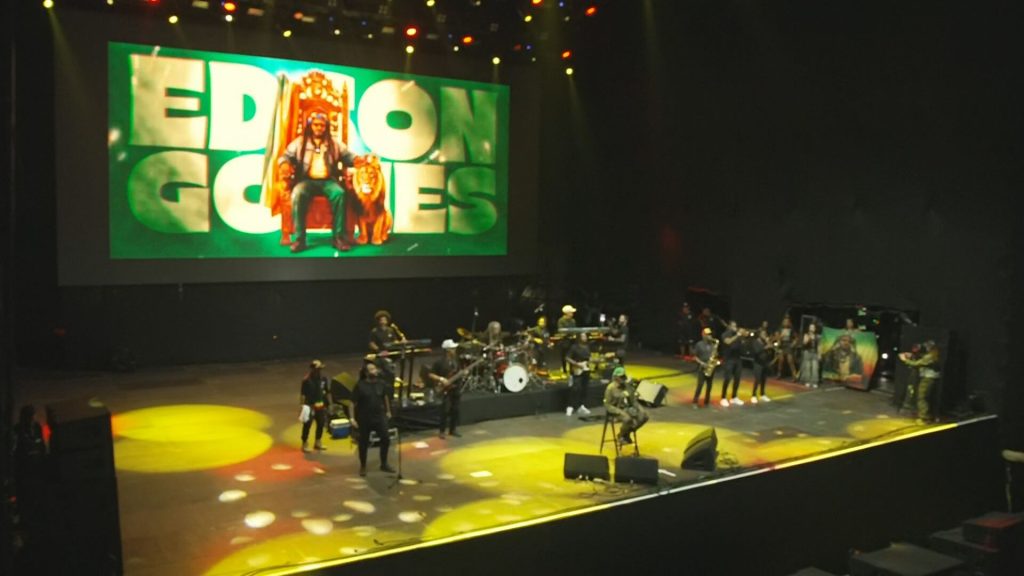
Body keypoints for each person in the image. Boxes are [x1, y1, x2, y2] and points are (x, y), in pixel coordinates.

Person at [279, 111, 357, 253]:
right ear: (310, 126)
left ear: (326, 127)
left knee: (339, 193)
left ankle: (338, 238)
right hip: (306, 180)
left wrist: (359, 160)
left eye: (322, 125)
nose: (319, 128)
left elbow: (348, 157)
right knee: (297, 193)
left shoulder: (334, 143)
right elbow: (286, 156)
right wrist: (284, 164)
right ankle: (300, 239)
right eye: (316, 125)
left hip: (328, 181)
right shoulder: (300, 142)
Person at [351, 359, 395, 476]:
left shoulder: (381, 383)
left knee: (385, 438)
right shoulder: (360, 385)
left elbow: (385, 397)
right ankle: (363, 466)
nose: (374, 371)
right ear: (366, 373)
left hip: (379, 417)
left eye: (374, 369)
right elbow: (352, 403)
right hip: (364, 418)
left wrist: (388, 411)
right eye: (371, 369)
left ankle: (384, 463)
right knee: (363, 442)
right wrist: (352, 418)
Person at [604, 367, 649, 445]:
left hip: (627, 408)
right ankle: (621, 435)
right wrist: (619, 412)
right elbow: (607, 405)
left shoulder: (627, 386)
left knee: (644, 416)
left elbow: (633, 400)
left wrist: (640, 409)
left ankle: (627, 432)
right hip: (615, 411)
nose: (623, 378)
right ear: (616, 377)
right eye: (621, 377)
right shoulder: (610, 388)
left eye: (623, 376)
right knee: (627, 418)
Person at [899, 340, 941, 424]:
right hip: (931, 378)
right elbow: (923, 358)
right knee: (927, 398)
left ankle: (924, 418)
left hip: (927, 379)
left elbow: (916, 364)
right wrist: (912, 355)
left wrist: (905, 360)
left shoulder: (930, 357)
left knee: (922, 397)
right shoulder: (933, 355)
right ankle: (929, 416)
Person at [429, 339, 464, 438]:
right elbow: (431, 374)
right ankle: (442, 431)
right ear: (448, 350)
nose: (455, 350)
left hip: (455, 388)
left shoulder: (456, 360)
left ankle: (453, 429)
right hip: (445, 389)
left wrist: (462, 373)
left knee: (455, 409)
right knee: (444, 410)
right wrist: (441, 379)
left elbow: (458, 372)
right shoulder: (439, 362)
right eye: (453, 349)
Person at [300, 359, 332, 452]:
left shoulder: (323, 379)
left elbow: (326, 391)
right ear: (312, 369)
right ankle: (304, 443)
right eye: (318, 369)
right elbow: (302, 395)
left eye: (320, 369)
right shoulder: (306, 380)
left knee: (321, 423)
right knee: (307, 425)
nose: (319, 370)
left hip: (320, 406)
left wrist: (328, 404)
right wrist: (303, 407)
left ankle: (318, 442)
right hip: (310, 406)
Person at [718, 320, 745, 407]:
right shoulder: (725, 334)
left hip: (737, 359)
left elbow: (742, 343)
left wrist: (743, 335)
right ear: (729, 326)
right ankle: (723, 398)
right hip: (728, 359)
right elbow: (728, 342)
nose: (735, 328)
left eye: (735, 326)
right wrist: (738, 335)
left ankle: (734, 397)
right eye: (733, 326)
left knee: (737, 378)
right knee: (727, 378)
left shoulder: (737, 335)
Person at [566, 333, 593, 416]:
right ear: (579, 338)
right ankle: (570, 406)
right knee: (575, 388)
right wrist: (576, 364)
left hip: (586, 369)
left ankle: (581, 406)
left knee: (584, 388)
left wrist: (591, 361)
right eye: (583, 336)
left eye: (585, 336)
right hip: (577, 369)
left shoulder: (587, 347)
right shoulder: (574, 347)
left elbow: (589, 358)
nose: (585, 337)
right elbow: (567, 358)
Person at [692, 327, 718, 408]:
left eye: (710, 334)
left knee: (709, 386)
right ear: (703, 335)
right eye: (707, 335)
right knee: (700, 385)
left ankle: (707, 401)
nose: (709, 336)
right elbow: (695, 357)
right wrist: (702, 363)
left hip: (710, 368)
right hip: (702, 368)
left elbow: (715, 355)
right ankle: (695, 402)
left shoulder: (713, 345)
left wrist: (714, 361)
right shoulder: (699, 344)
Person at [748, 328, 774, 403]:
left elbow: (770, 350)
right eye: (763, 334)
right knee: (757, 379)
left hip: (764, 362)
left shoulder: (765, 342)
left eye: (765, 334)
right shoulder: (756, 342)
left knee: (763, 379)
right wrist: (766, 347)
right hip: (758, 363)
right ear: (759, 334)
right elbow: (757, 352)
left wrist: (769, 344)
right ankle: (753, 395)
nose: (765, 335)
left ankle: (762, 394)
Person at [799, 322, 821, 387]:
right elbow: (804, 343)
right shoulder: (806, 335)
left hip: (815, 353)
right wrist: (808, 337)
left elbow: (819, 346)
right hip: (807, 352)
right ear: (809, 328)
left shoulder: (817, 336)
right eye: (811, 327)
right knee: (807, 367)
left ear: (815, 329)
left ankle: (814, 382)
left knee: (815, 367)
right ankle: (807, 381)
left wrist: (819, 354)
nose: (812, 328)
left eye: (813, 327)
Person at [557, 304, 577, 373]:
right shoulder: (561, 320)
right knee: (564, 356)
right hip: (564, 341)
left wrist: (573, 334)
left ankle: (571, 370)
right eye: (571, 312)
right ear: (567, 313)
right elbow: (561, 331)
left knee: (572, 356)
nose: (572, 314)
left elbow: (574, 330)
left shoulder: (573, 321)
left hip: (572, 341)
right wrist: (568, 333)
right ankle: (564, 370)